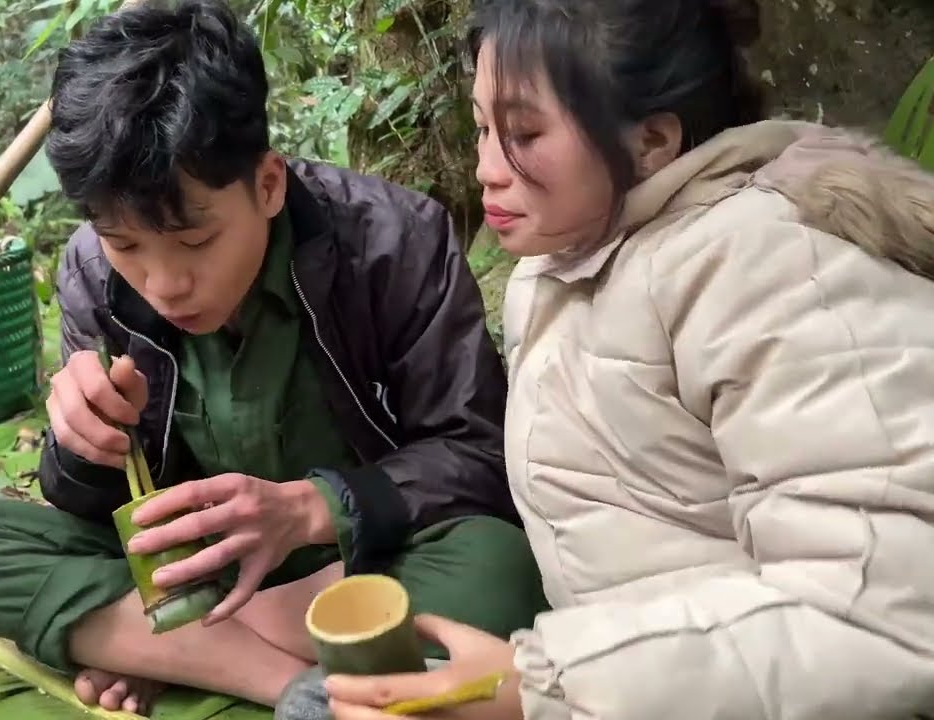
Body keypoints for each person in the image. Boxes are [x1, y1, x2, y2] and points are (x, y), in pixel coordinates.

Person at [0, 0, 549, 714]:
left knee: (501, 569)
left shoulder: (397, 241)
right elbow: (97, 512)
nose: (164, 285)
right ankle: (287, 684)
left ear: (268, 183)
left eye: (195, 243)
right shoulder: (91, 275)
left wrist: (314, 508)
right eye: (126, 246)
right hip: (196, 569)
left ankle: (165, 644)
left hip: (362, 559)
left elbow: (475, 455)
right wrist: (76, 448)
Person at [323, 0, 934, 719]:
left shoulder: (775, 266)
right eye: (483, 127)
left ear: (651, 141)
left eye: (523, 133)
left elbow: (889, 616)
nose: (485, 168)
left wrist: (547, 689)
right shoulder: (565, 266)